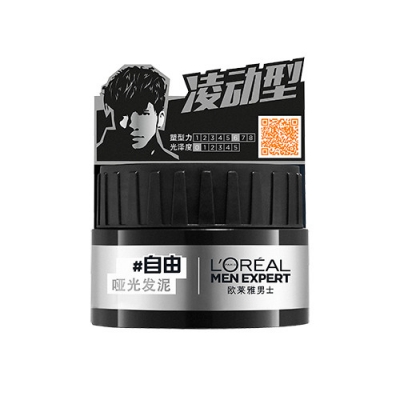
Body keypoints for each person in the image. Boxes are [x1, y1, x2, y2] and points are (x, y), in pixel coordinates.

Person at [97, 66, 178, 161]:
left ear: (160, 119)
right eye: (123, 114)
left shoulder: (171, 163)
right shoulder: (99, 157)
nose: (131, 125)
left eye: (142, 113)